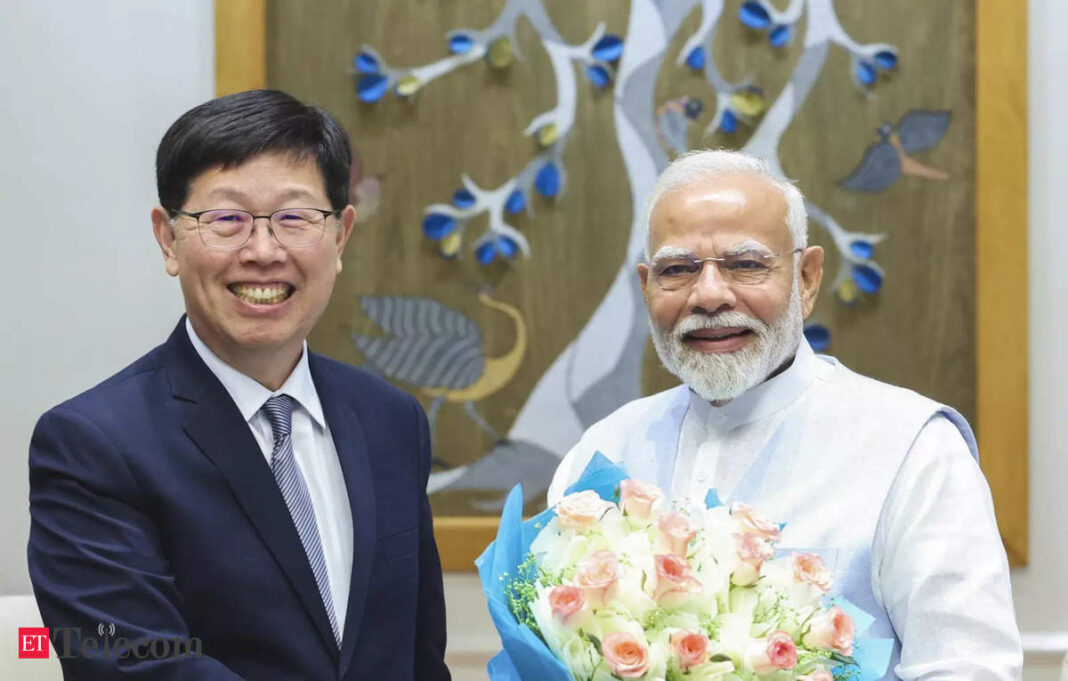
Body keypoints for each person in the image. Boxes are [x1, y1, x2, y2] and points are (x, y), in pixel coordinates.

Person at [547, 150, 1021, 679]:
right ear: (646, 286)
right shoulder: (602, 451)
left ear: (807, 278)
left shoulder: (912, 450)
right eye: (677, 270)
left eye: (746, 264)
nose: (708, 295)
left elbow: (968, 668)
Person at [28, 89, 450, 680]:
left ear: (341, 236)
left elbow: (420, 657)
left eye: (294, 218)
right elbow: (135, 663)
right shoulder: (92, 445)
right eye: (226, 219)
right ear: (168, 239)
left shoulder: (391, 420)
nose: (262, 251)